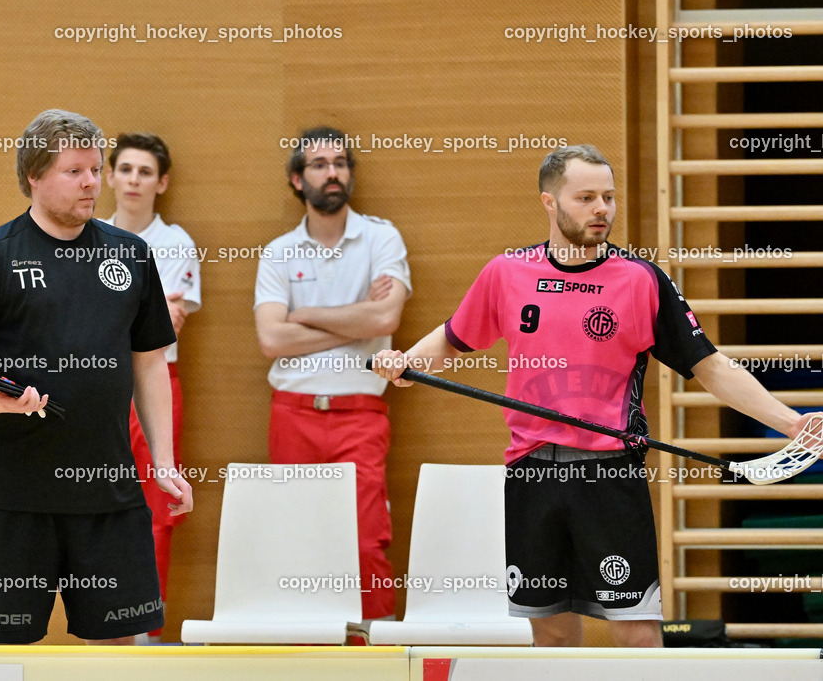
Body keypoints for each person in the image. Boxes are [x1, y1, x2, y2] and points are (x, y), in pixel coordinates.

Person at [371, 144, 822, 647]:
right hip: (531, 475)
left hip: (608, 476)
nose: (602, 209)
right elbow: (453, 339)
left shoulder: (641, 280)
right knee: (553, 637)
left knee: (637, 633)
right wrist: (406, 361)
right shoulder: (506, 273)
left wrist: (792, 423)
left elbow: (710, 366)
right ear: (549, 201)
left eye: (608, 197)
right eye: (586, 197)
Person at [0, 109, 193, 645]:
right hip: (14, 499)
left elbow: (149, 364)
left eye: (96, 169)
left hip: (109, 498)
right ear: (35, 174)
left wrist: (163, 462)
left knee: (120, 650)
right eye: (75, 171)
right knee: (5, 652)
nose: (93, 183)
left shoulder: (131, 256)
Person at [254, 126, 411, 626]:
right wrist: (355, 316)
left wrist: (303, 315)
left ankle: (377, 658)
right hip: (293, 415)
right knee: (296, 545)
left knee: (367, 541)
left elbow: (385, 321)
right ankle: (304, 658)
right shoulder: (279, 251)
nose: (333, 172)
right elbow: (271, 341)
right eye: (319, 165)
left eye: (341, 162)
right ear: (298, 180)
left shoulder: (381, 238)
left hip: (359, 416)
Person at [102, 132, 200, 643]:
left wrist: (112, 316)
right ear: (110, 176)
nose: (134, 180)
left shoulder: (175, 242)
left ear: (161, 182)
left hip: (156, 389)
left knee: (156, 508)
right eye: (126, 169)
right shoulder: (88, 237)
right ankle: (106, 629)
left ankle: (148, 632)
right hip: (100, 389)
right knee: (99, 505)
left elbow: (167, 326)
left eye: (145, 172)